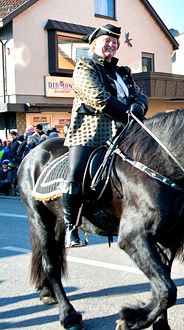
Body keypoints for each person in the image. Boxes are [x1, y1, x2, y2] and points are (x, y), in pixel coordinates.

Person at [62, 23, 148, 247]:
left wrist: (139, 106)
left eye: (114, 42)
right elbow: (98, 98)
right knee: (76, 174)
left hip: (124, 133)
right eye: (106, 41)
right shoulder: (85, 67)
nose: (111, 45)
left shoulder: (122, 72)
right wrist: (128, 113)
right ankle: (71, 226)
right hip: (91, 134)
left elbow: (140, 95)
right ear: (94, 44)